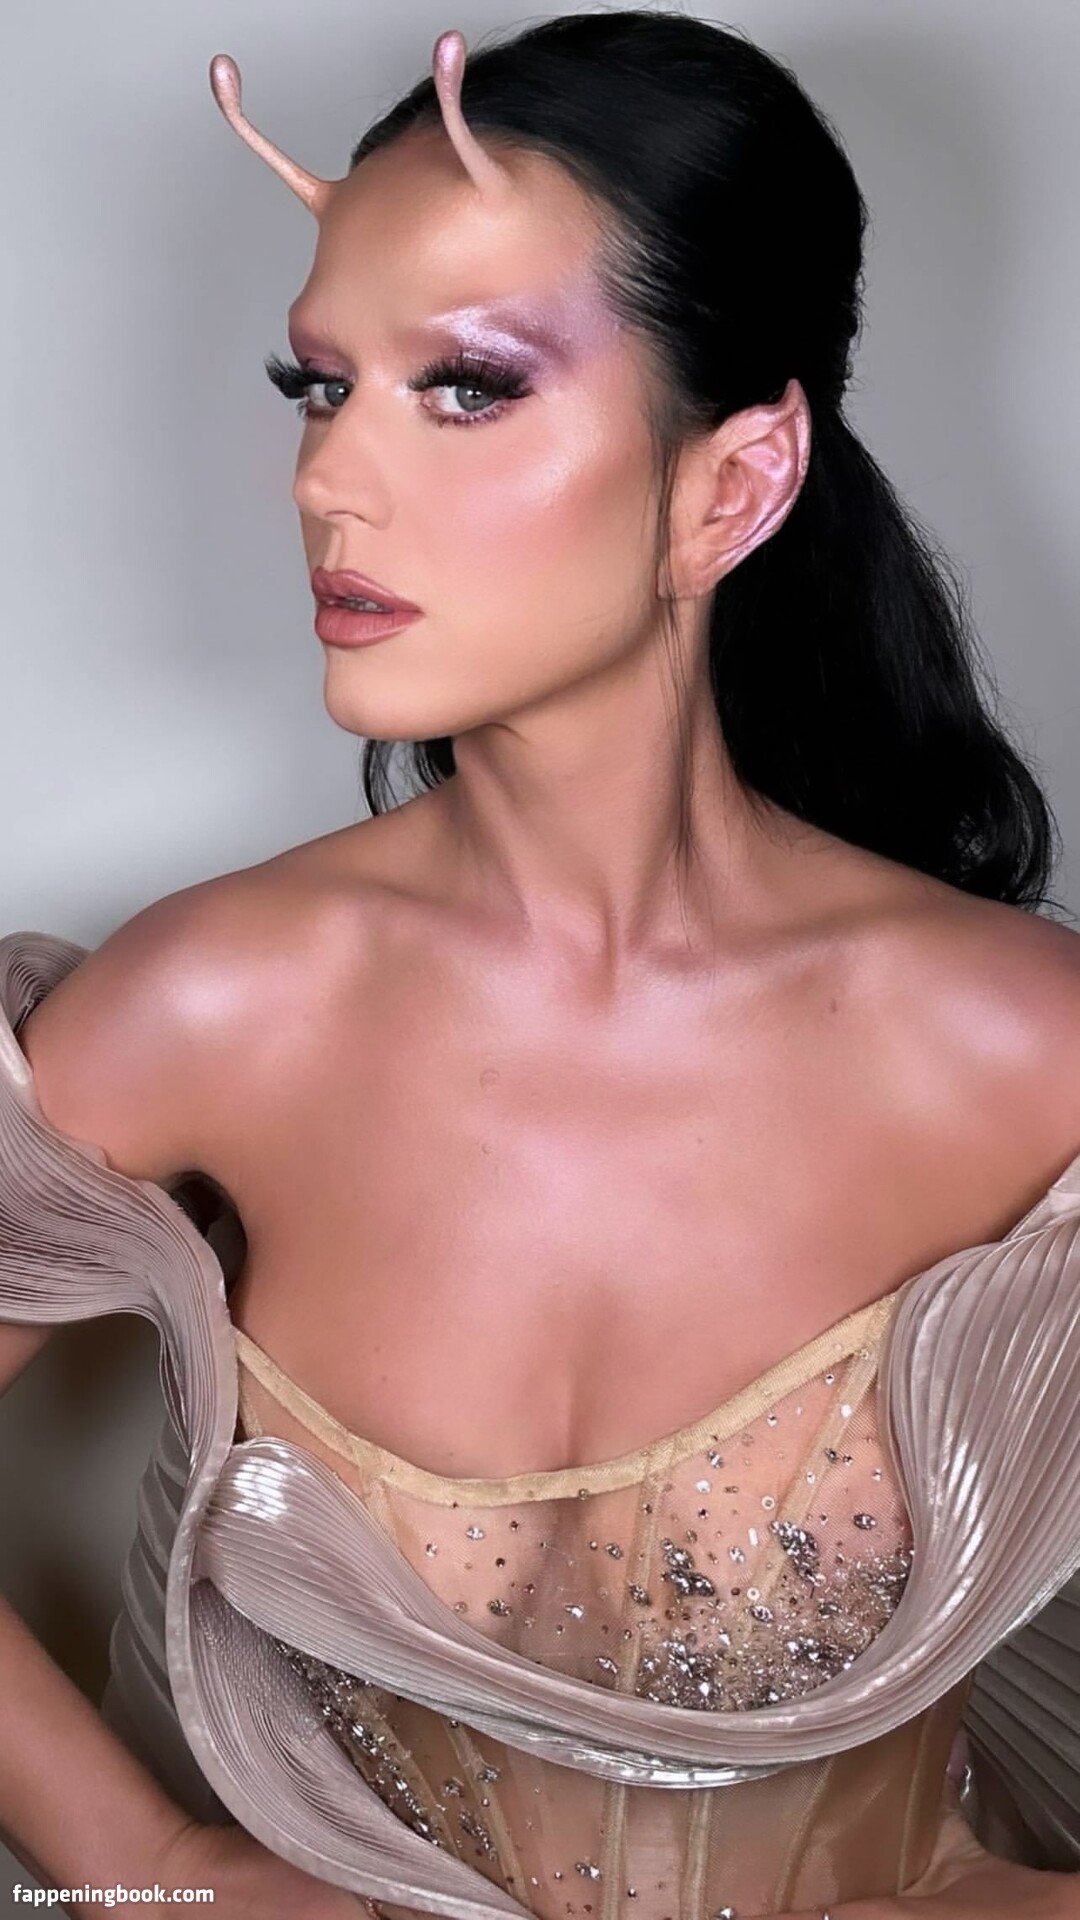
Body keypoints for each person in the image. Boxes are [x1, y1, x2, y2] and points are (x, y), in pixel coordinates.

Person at [2, 11, 1080, 1917]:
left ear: (735, 484)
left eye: (467, 387)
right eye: (319, 384)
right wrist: (145, 1861)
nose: (325, 480)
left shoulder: (1022, 1056)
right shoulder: (212, 1010)